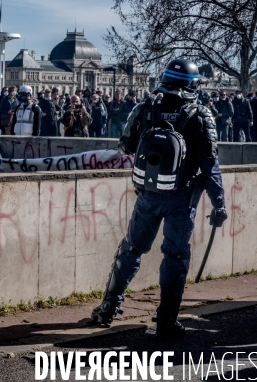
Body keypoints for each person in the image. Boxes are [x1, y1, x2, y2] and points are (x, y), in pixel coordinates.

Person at [90, 59, 226, 341]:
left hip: (149, 194)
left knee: (131, 249)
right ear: (192, 85)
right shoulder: (201, 115)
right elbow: (210, 165)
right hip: (182, 198)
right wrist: (219, 202)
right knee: (175, 256)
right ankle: (166, 322)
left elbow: (126, 145)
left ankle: (107, 309)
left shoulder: (146, 107)